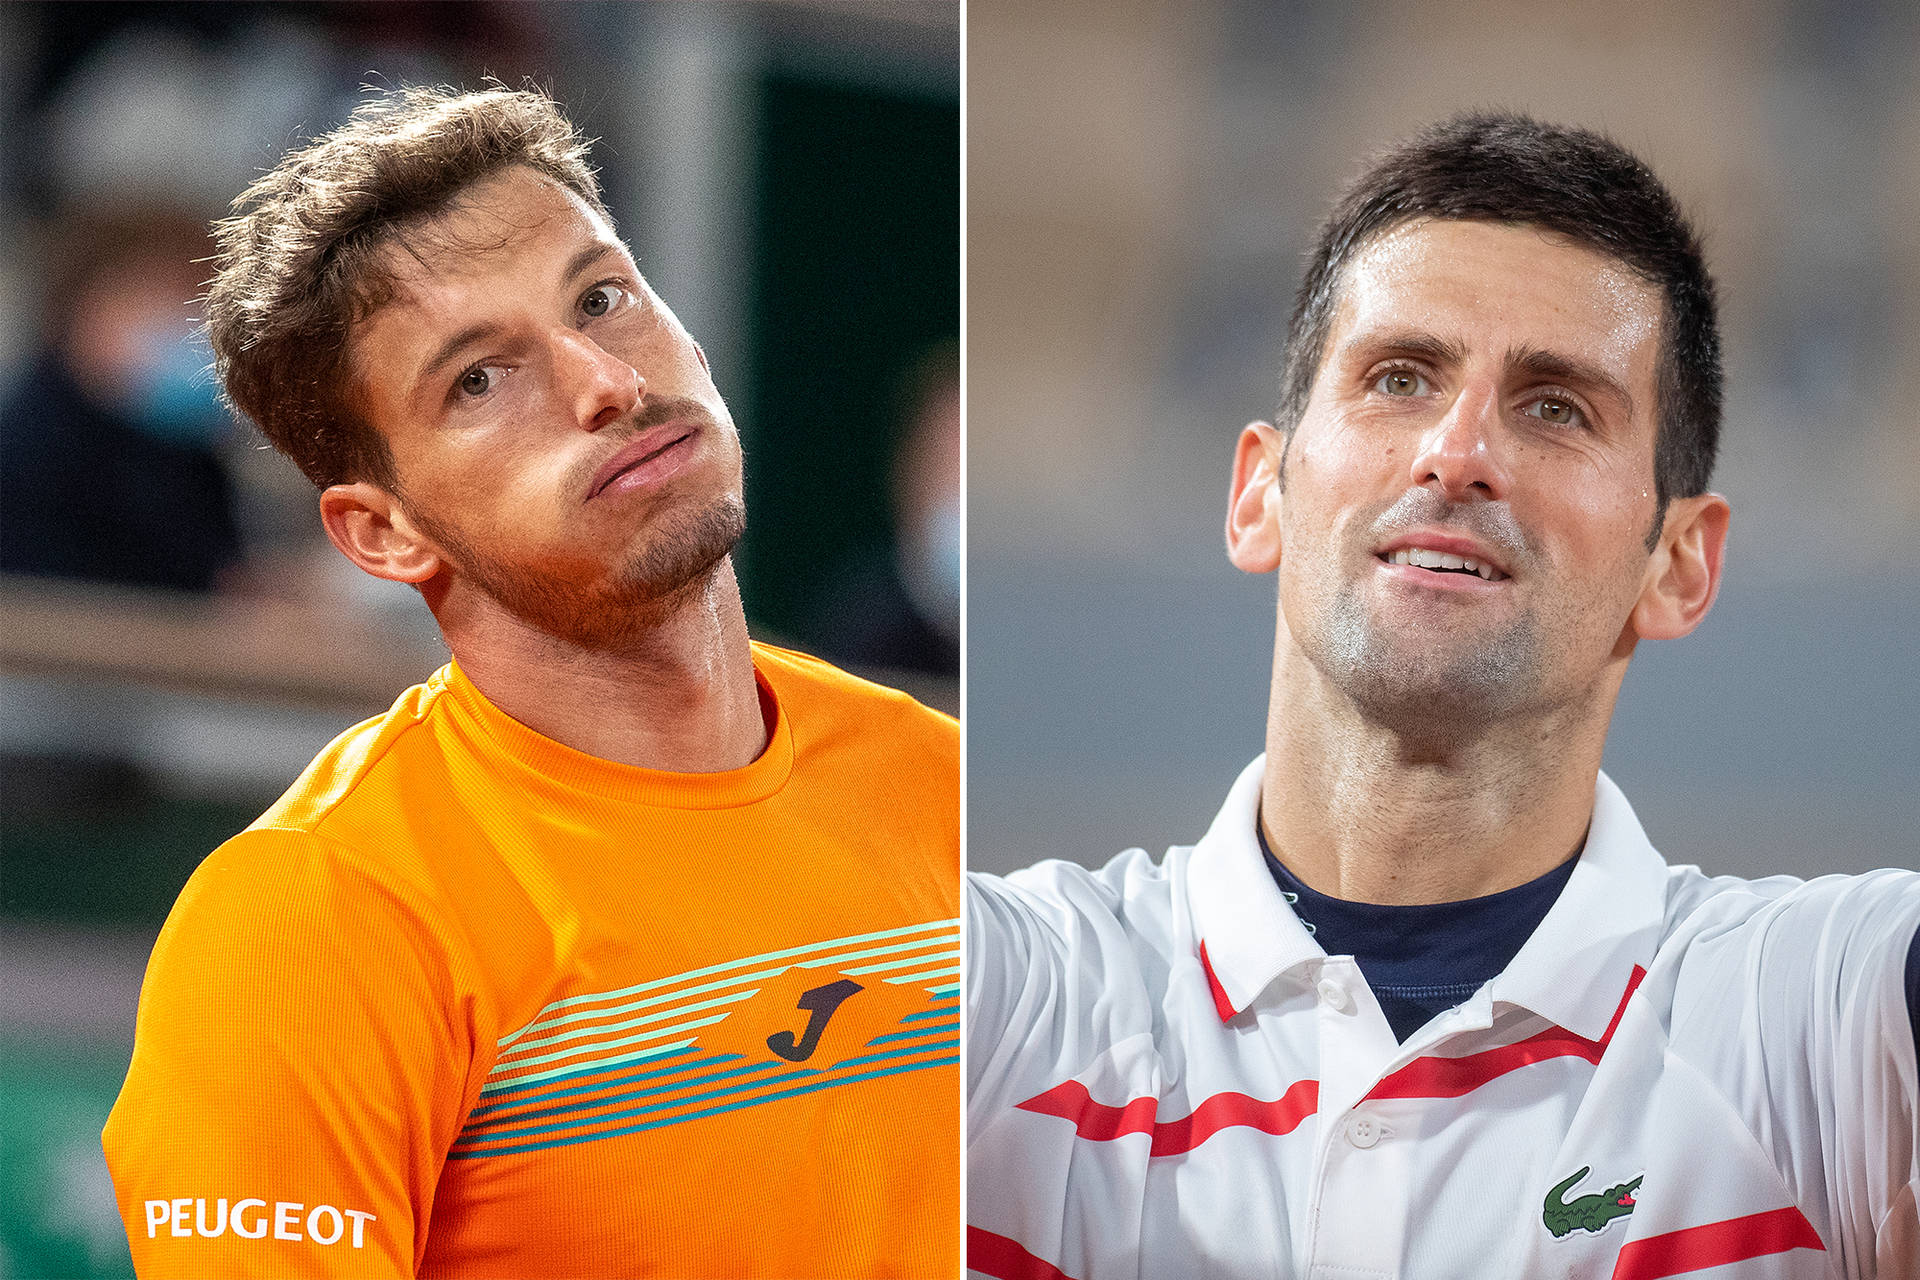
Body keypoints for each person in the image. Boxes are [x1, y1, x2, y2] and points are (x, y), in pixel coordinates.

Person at [965, 113, 1918, 1280]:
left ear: (1680, 564)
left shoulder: (1828, 1022)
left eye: (1557, 405)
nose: (1456, 451)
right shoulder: (1006, 996)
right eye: (1399, 377)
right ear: (1259, 491)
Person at [102, 85, 958, 1279]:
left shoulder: (942, 784)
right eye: (479, 380)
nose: (602, 379)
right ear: (385, 532)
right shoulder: (315, 918)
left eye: (603, 298)